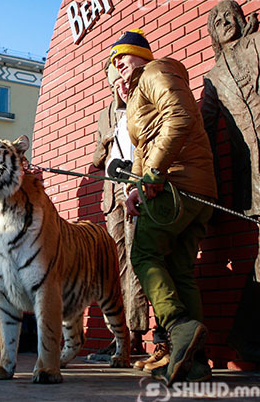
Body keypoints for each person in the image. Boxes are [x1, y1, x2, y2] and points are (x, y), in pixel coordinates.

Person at [110, 29, 218, 384]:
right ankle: (195, 363)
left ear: (142, 54)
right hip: (191, 187)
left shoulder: (157, 70)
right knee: (180, 269)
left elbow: (180, 117)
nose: (118, 65)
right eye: (114, 62)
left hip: (178, 186)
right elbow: (145, 146)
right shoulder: (140, 91)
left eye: (123, 56)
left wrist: (155, 173)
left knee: (144, 255)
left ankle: (178, 325)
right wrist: (134, 189)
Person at [201, 0, 260, 364]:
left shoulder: (259, 42)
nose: (225, 20)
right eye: (216, 19)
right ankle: (247, 335)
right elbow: (203, 133)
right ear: (212, 35)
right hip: (255, 175)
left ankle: (246, 335)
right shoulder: (212, 79)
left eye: (231, 14)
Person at [91, 60, 151, 360]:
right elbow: (95, 159)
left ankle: (135, 335)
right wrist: (105, 142)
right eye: (116, 84)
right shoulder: (106, 113)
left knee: (136, 262)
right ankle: (119, 336)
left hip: (133, 187)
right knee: (115, 266)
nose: (122, 87)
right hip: (111, 195)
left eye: (124, 81)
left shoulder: (144, 102)